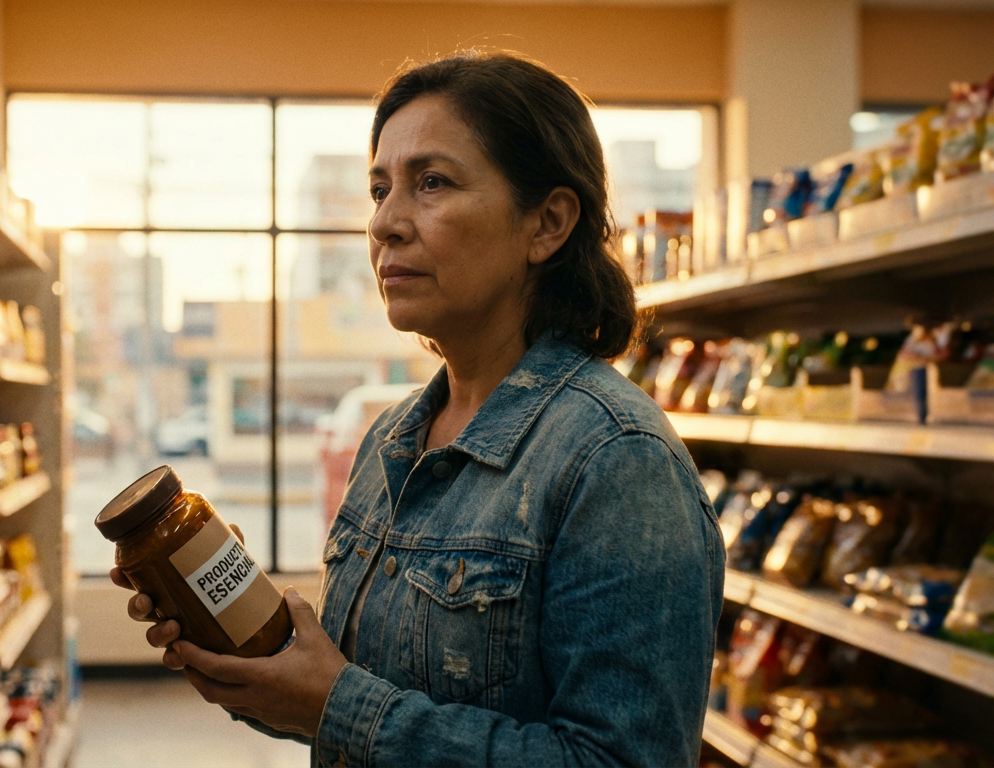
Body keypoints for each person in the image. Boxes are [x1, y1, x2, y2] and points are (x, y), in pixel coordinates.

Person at [111, 50, 725, 767]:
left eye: (431, 183)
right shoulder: (390, 439)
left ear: (548, 223)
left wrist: (334, 703)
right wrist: (238, 641)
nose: (385, 225)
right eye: (379, 189)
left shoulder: (615, 461)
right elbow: (339, 707)